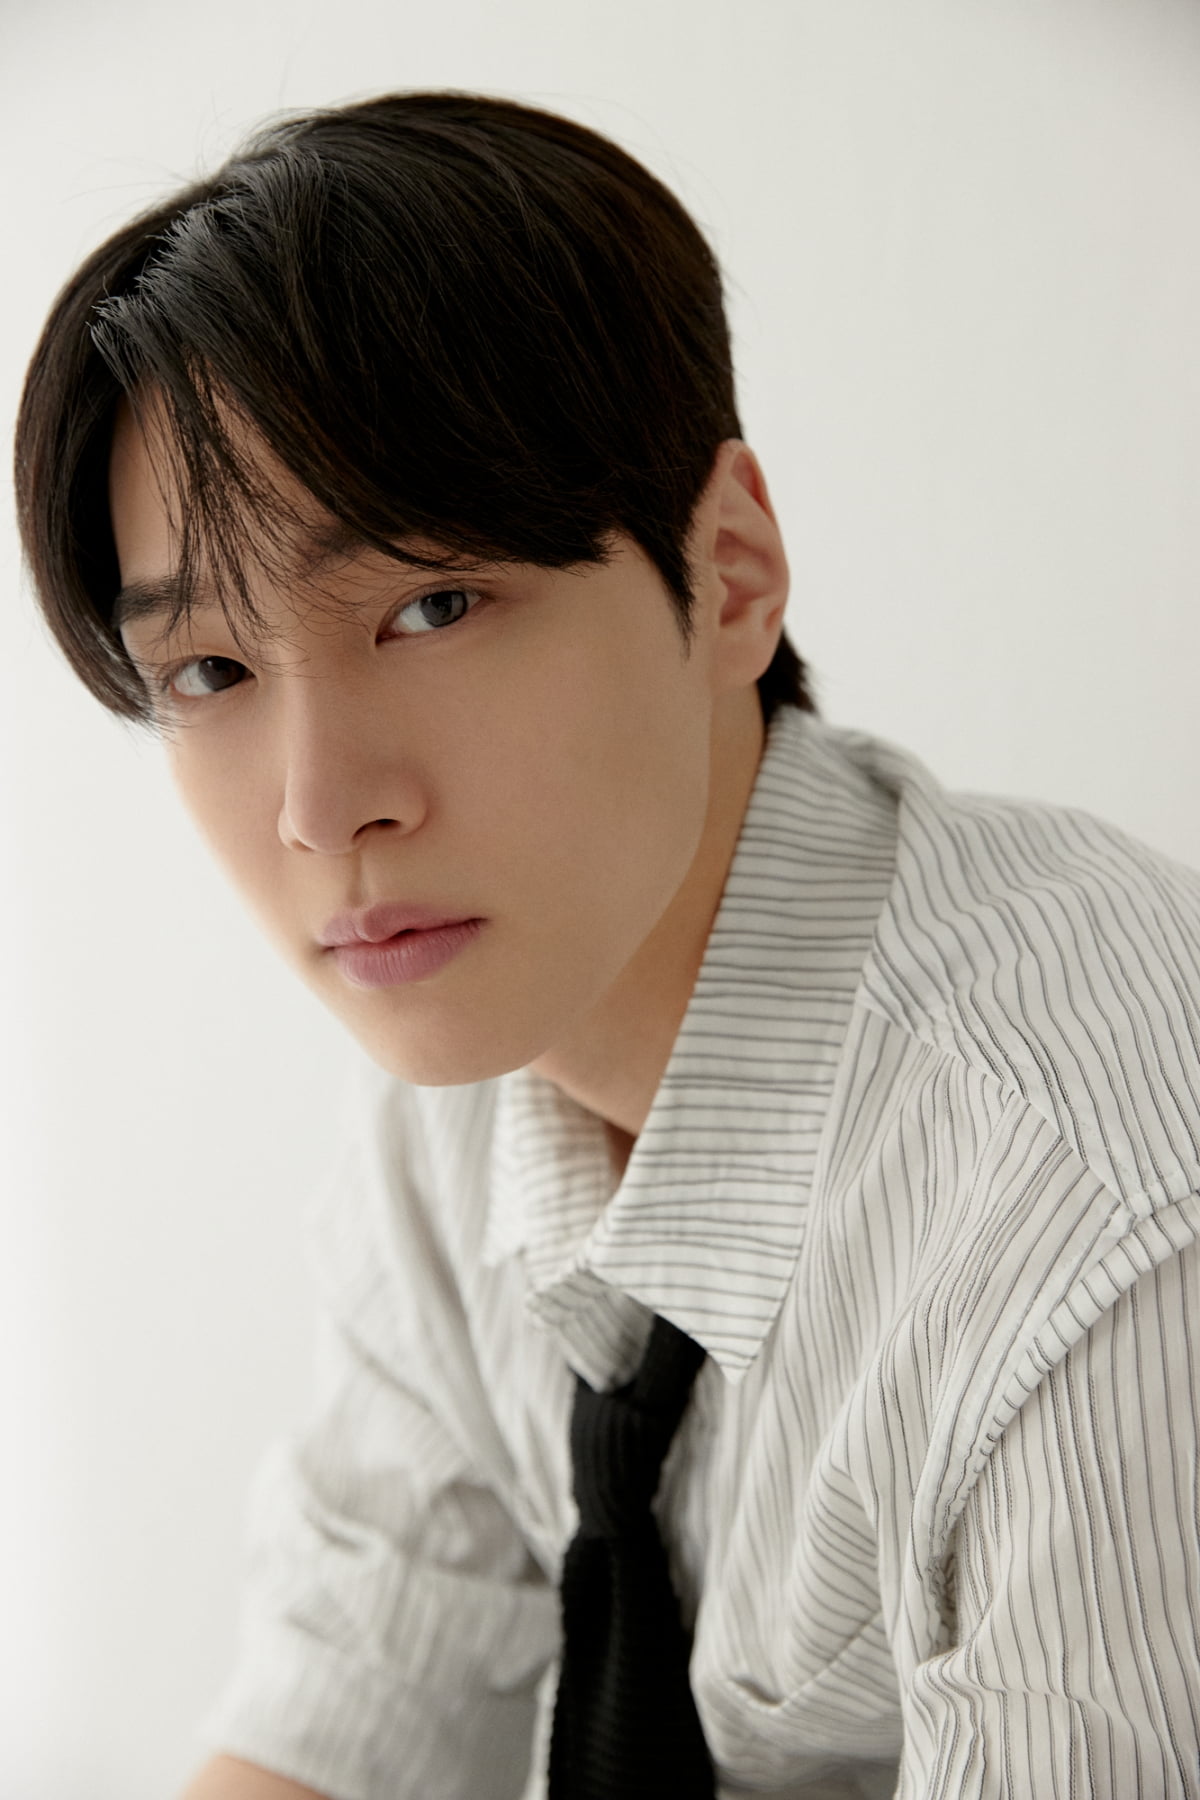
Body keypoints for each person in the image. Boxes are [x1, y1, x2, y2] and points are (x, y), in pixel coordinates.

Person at [15, 90, 1200, 1800]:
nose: (322, 808)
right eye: (210, 671)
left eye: (432, 604)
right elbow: (346, 1702)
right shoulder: (459, 1085)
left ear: (730, 575)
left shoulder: (1093, 1209)